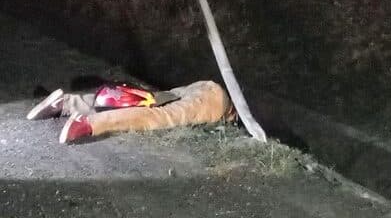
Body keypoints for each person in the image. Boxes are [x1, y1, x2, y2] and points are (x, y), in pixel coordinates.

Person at [26, 80, 236, 144]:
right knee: (162, 116)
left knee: (148, 101)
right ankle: (90, 123)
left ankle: (67, 103)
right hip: (218, 103)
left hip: (203, 86)